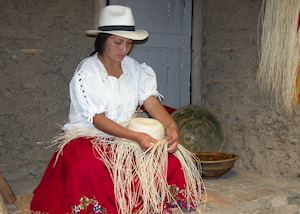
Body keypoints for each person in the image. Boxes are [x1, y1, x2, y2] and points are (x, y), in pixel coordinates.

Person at [30, 5, 205, 214]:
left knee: (171, 161)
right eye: (118, 42)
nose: (124, 49)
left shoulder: (134, 68)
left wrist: (170, 125)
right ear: (103, 40)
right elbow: (97, 119)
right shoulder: (88, 71)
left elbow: (150, 101)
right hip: (90, 137)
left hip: (126, 136)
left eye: (129, 43)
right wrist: (135, 136)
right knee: (90, 168)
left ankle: (155, 202)